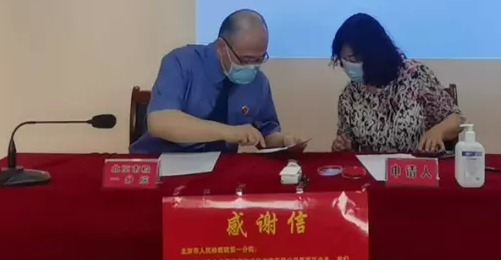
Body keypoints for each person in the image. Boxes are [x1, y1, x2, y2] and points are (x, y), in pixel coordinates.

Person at [130, 9, 303, 155]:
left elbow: (266, 133)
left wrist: (283, 141)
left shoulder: (258, 82)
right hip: (160, 163)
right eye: (246, 59)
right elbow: (160, 121)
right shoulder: (181, 62)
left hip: (218, 167)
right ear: (221, 47)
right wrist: (229, 132)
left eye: (259, 59)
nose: (252, 67)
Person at [330, 13, 462, 153]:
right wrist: (343, 147)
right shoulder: (349, 96)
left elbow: (457, 120)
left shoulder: (414, 75)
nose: (349, 65)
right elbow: (349, 146)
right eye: (344, 59)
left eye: (354, 59)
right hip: (373, 167)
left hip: (416, 163)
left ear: (375, 55)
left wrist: (438, 131)